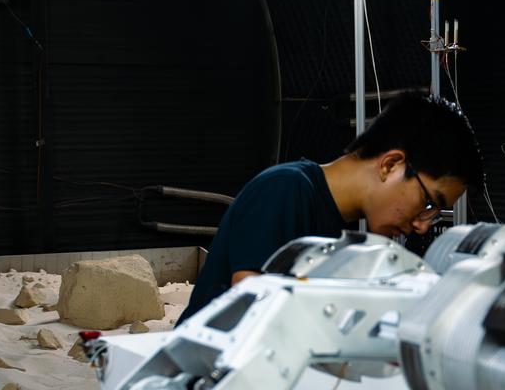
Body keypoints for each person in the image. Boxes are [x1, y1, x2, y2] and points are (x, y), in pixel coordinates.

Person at [176, 92, 483, 323]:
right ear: (390, 165)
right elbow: (253, 313)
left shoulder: (326, 220)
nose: (423, 225)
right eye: (429, 203)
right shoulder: (285, 190)